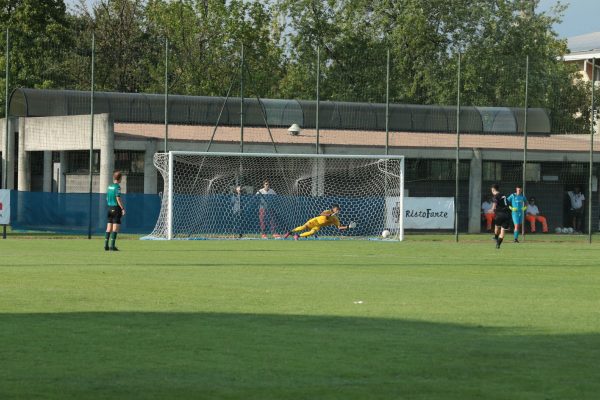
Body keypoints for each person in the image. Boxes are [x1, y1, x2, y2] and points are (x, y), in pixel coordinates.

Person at [283, 204, 354, 239]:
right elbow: (321, 214)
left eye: (338, 209)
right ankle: (289, 232)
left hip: (318, 225)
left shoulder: (335, 219)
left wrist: (348, 227)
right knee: (303, 227)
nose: (338, 210)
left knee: (312, 232)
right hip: (315, 221)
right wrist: (330, 214)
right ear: (333, 208)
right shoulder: (328, 211)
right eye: (337, 209)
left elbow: (339, 227)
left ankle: (297, 236)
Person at [105, 171, 125, 251]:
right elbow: (118, 198)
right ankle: (112, 246)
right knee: (115, 228)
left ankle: (106, 245)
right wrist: (122, 208)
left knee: (108, 227)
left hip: (109, 208)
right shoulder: (117, 187)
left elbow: (107, 198)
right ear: (120, 178)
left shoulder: (109, 186)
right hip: (116, 208)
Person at [491, 184, 511, 249]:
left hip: (500, 214)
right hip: (507, 214)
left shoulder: (495, 196)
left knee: (496, 227)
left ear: (493, 189)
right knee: (502, 231)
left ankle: (496, 237)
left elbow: (494, 205)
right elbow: (508, 204)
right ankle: (498, 244)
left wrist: (492, 209)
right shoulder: (504, 196)